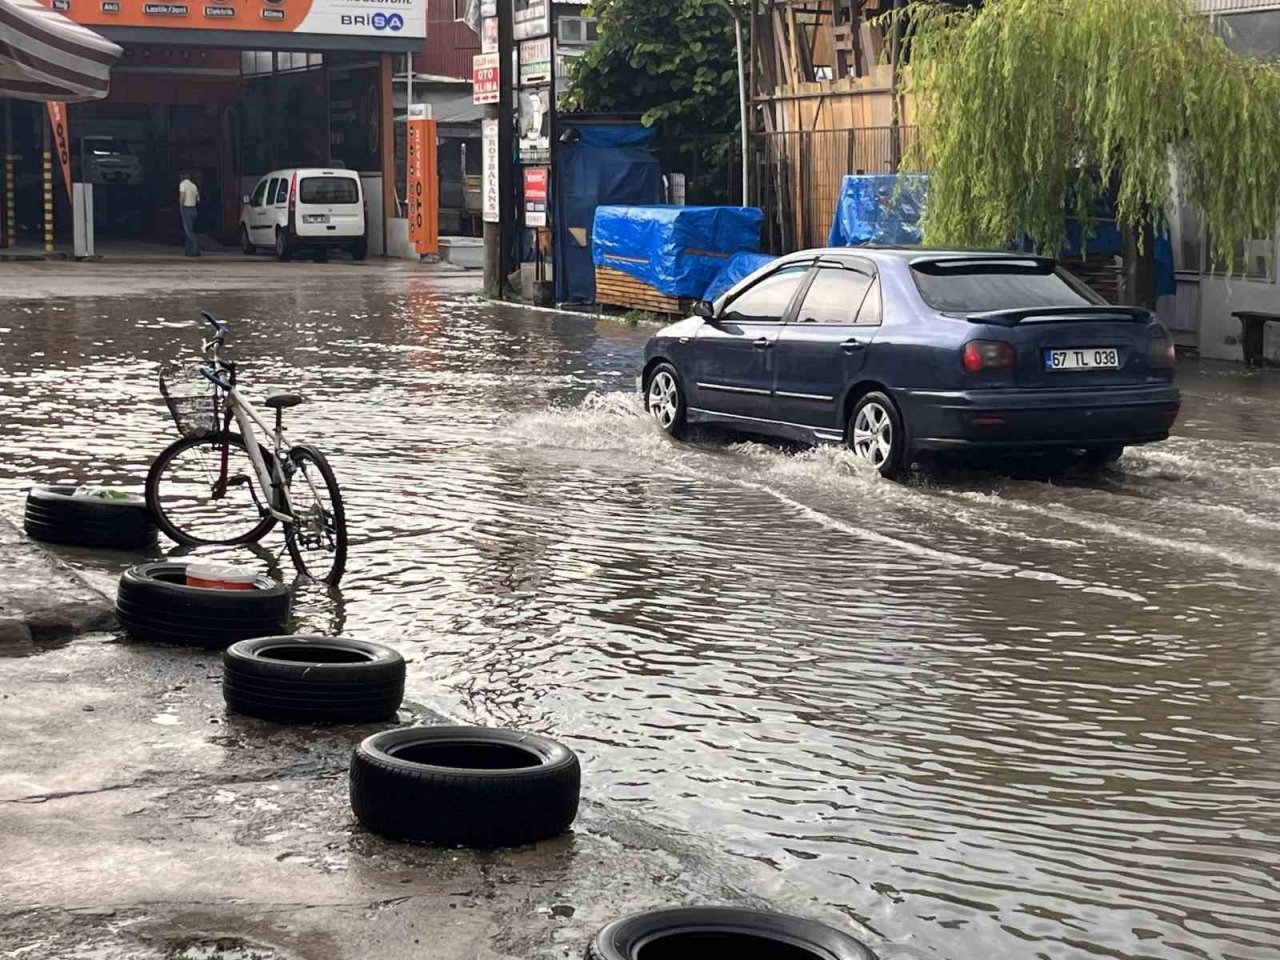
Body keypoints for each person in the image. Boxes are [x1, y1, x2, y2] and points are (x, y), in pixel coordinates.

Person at [178, 171, 200, 257]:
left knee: (188, 232)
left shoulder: (183, 184)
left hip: (186, 208)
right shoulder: (194, 185)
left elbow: (182, 196)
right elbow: (198, 199)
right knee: (190, 230)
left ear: (182, 177)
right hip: (193, 209)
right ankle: (188, 251)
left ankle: (196, 250)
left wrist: (181, 206)